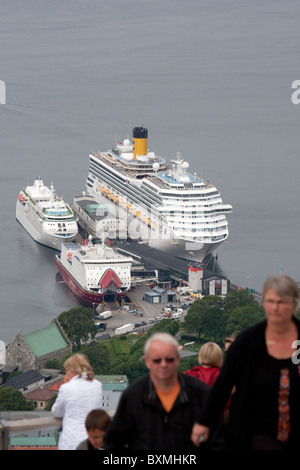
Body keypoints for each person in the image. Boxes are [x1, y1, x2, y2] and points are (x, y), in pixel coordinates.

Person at [191, 274, 300, 450]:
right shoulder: (248, 342)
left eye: (282, 302)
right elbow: (223, 385)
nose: (275, 308)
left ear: (294, 306)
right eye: (270, 301)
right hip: (255, 432)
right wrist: (204, 422)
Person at [104, 332, 224, 450]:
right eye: (157, 360)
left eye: (169, 360)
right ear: (147, 361)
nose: (163, 364)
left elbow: (219, 441)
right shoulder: (133, 396)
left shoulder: (201, 393)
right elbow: (113, 441)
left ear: (178, 359)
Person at [51, 353, 102, 450]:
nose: (65, 375)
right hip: (92, 441)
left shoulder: (67, 388)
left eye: (66, 371)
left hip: (71, 441)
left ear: (72, 370)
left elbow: (56, 412)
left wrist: (66, 386)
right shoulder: (97, 385)